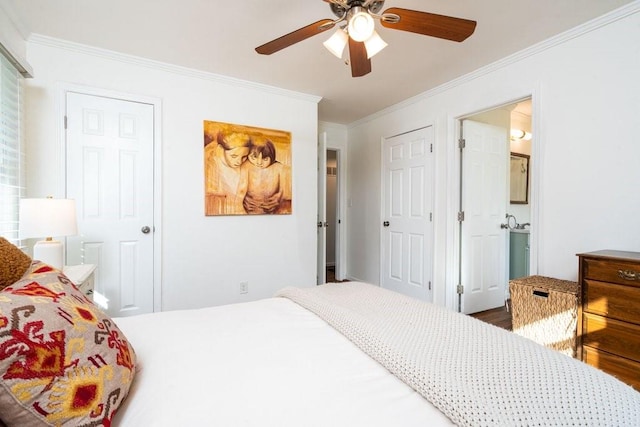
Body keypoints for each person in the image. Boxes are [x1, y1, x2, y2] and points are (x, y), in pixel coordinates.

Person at [204, 132, 252, 215]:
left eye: (244, 156)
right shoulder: (208, 164)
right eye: (234, 156)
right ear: (220, 149)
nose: (239, 161)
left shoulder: (247, 166)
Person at [242, 139, 291, 214]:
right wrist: (242, 199)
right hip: (249, 210)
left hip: (272, 212)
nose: (259, 162)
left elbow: (286, 193)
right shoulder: (245, 165)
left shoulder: (279, 168)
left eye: (265, 159)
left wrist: (280, 198)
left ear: (272, 157)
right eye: (254, 157)